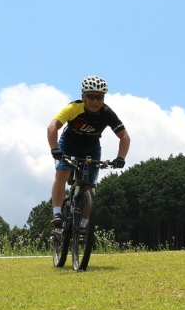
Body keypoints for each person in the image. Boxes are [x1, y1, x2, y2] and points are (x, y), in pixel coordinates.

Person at [47, 76, 130, 227]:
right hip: (69, 144)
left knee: (89, 187)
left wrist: (120, 158)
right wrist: (55, 149)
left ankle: (84, 227)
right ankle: (57, 213)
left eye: (100, 97)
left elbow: (124, 136)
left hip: (91, 148)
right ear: (83, 96)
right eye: (91, 96)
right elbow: (52, 127)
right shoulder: (73, 108)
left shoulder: (107, 113)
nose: (95, 101)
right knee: (62, 173)